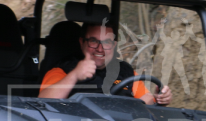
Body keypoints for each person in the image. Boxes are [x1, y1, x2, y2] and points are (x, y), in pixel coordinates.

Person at [39, 24, 172, 105]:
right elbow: (42, 103)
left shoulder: (125, 71)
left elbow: (146, 98)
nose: (100, 49)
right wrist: (74, 75)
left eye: (107, 42)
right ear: (82, 42)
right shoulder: (63, 70)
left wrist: (159, 98)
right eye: (93, 41)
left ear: (114, 45)